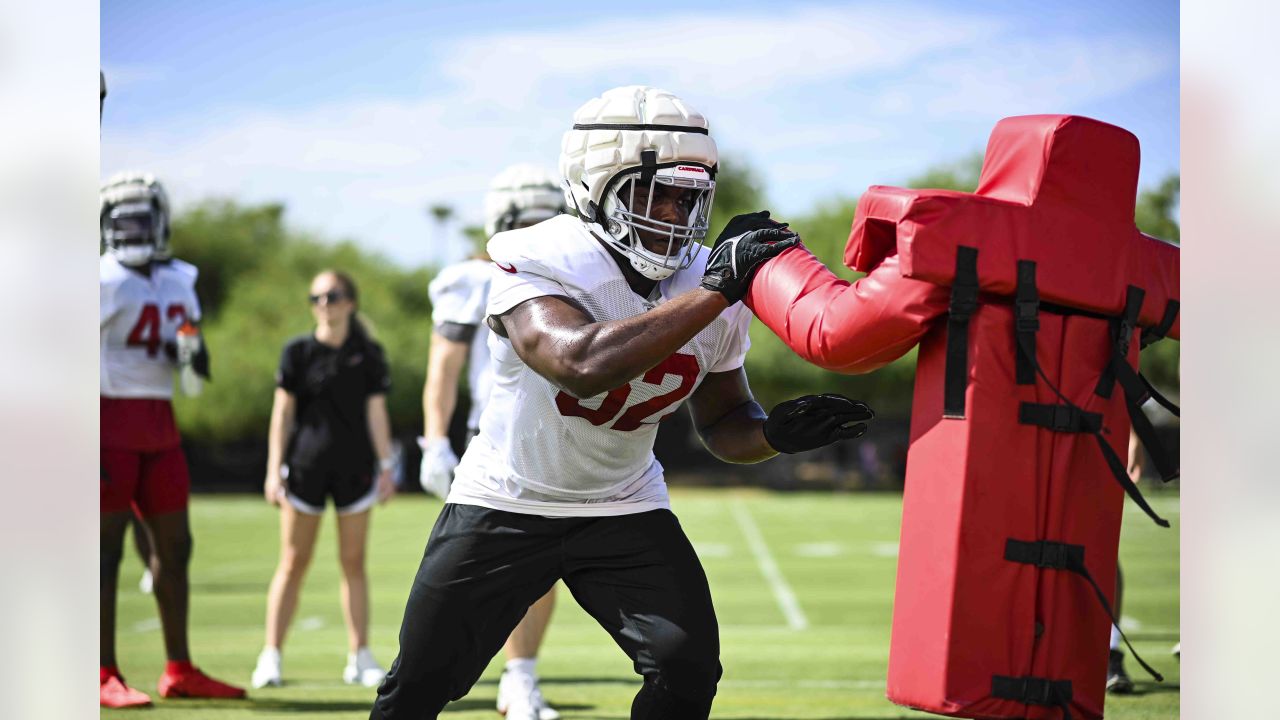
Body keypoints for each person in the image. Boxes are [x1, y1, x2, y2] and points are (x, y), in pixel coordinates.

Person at [370, 85, 874, 720]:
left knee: (688, 667)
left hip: (622, 504)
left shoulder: (705, 285)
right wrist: (717, 290)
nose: (674, 211)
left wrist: (773, 433)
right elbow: (580, 365)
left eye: (688, 195)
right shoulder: (540, 258)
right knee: (418, 684)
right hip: (507, 500)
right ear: (593, 187)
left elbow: (722, 424)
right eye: (653, 191)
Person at [419, 164, 568, 719]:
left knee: (544, 565)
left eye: (546, 219)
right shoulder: (473, 279)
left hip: (553, 432)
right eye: (526, 221)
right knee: (465, 572)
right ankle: (427, 680)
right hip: (491, 436)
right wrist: (434, 440)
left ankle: (520, 678)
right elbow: (443, 368)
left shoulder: (574, 273)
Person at [100, 172, 244, 708]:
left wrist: (193, 354)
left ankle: (178, 668)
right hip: (106, 419)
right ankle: (100, 670)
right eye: (121, 219)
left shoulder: (180, 278)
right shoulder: (99, 279)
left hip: (159, 420)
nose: (131, 229)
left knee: (175, 548)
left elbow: (186, 347)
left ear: (160, 221)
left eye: (140, 218)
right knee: (104, 551)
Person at [251, 270, 397, 689]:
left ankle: (360, 657)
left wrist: (387, 467)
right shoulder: (295, 352)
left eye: (332, 296)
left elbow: (376, 413)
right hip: (304, 470)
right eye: (316, 297)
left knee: (353, 563)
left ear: (350, 301)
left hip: (355, 470)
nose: (323, 304)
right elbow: (282, 414)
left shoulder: (368, 354)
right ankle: (271, 657)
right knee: (293, 563)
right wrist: (272, 469)